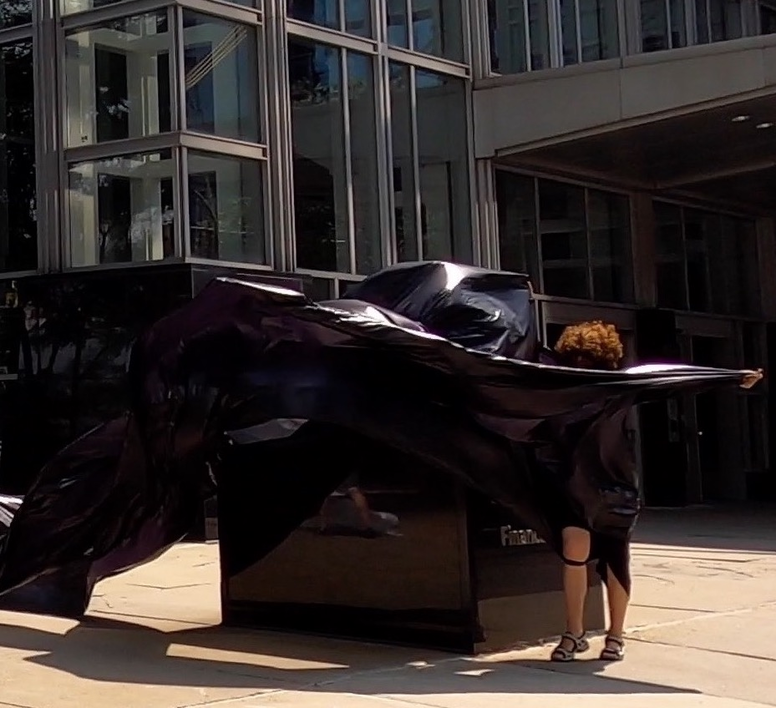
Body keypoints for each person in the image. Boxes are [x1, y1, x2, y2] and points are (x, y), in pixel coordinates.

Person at [541, 321, 763, 663]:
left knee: (615, 559)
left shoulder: (618, 387)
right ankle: (574, 632)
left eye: (587, 360)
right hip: (575, 484)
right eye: (576, 360)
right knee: (575, 552)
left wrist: (730, 377)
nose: (581, 365)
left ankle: (615, 634)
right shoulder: (559, 391)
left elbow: (671, 380)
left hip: (614, 485)